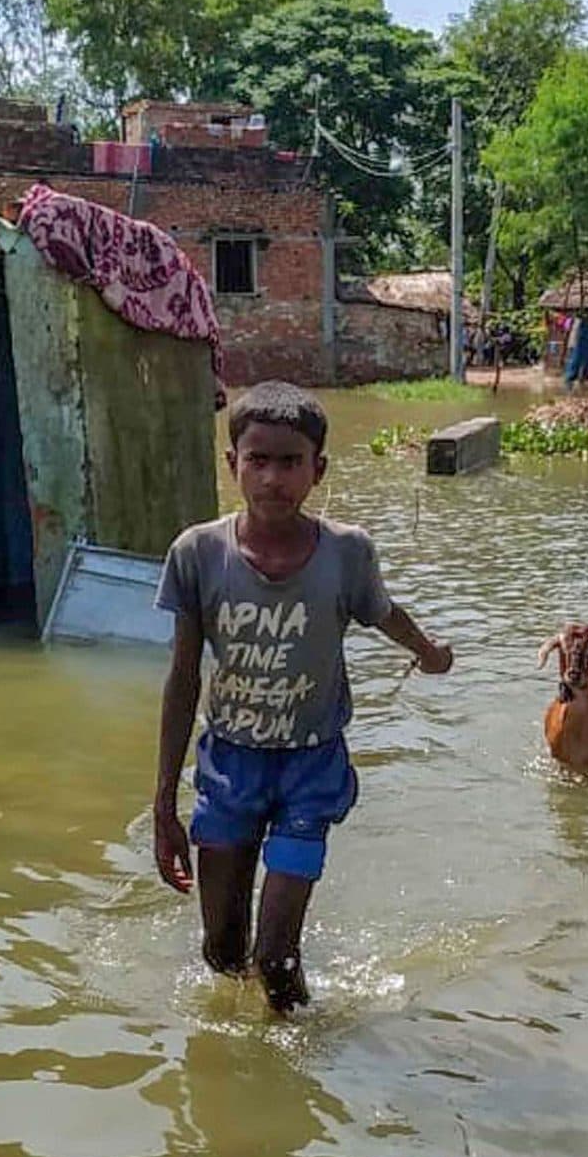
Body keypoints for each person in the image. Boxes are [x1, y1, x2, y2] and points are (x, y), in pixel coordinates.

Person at [152, 383, 454, 1012]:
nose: (272, 478)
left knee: (276, 961)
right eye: (256, 460)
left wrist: (426, 650)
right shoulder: (198, 553)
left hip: (311, 768)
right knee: (223, 951)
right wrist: (163, 806)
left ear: (318, 470)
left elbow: (382, 612)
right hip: (230, 766)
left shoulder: (346, 552)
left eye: (290, 462)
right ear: (231, 463)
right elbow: (183, 677)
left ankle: (294, 1073)